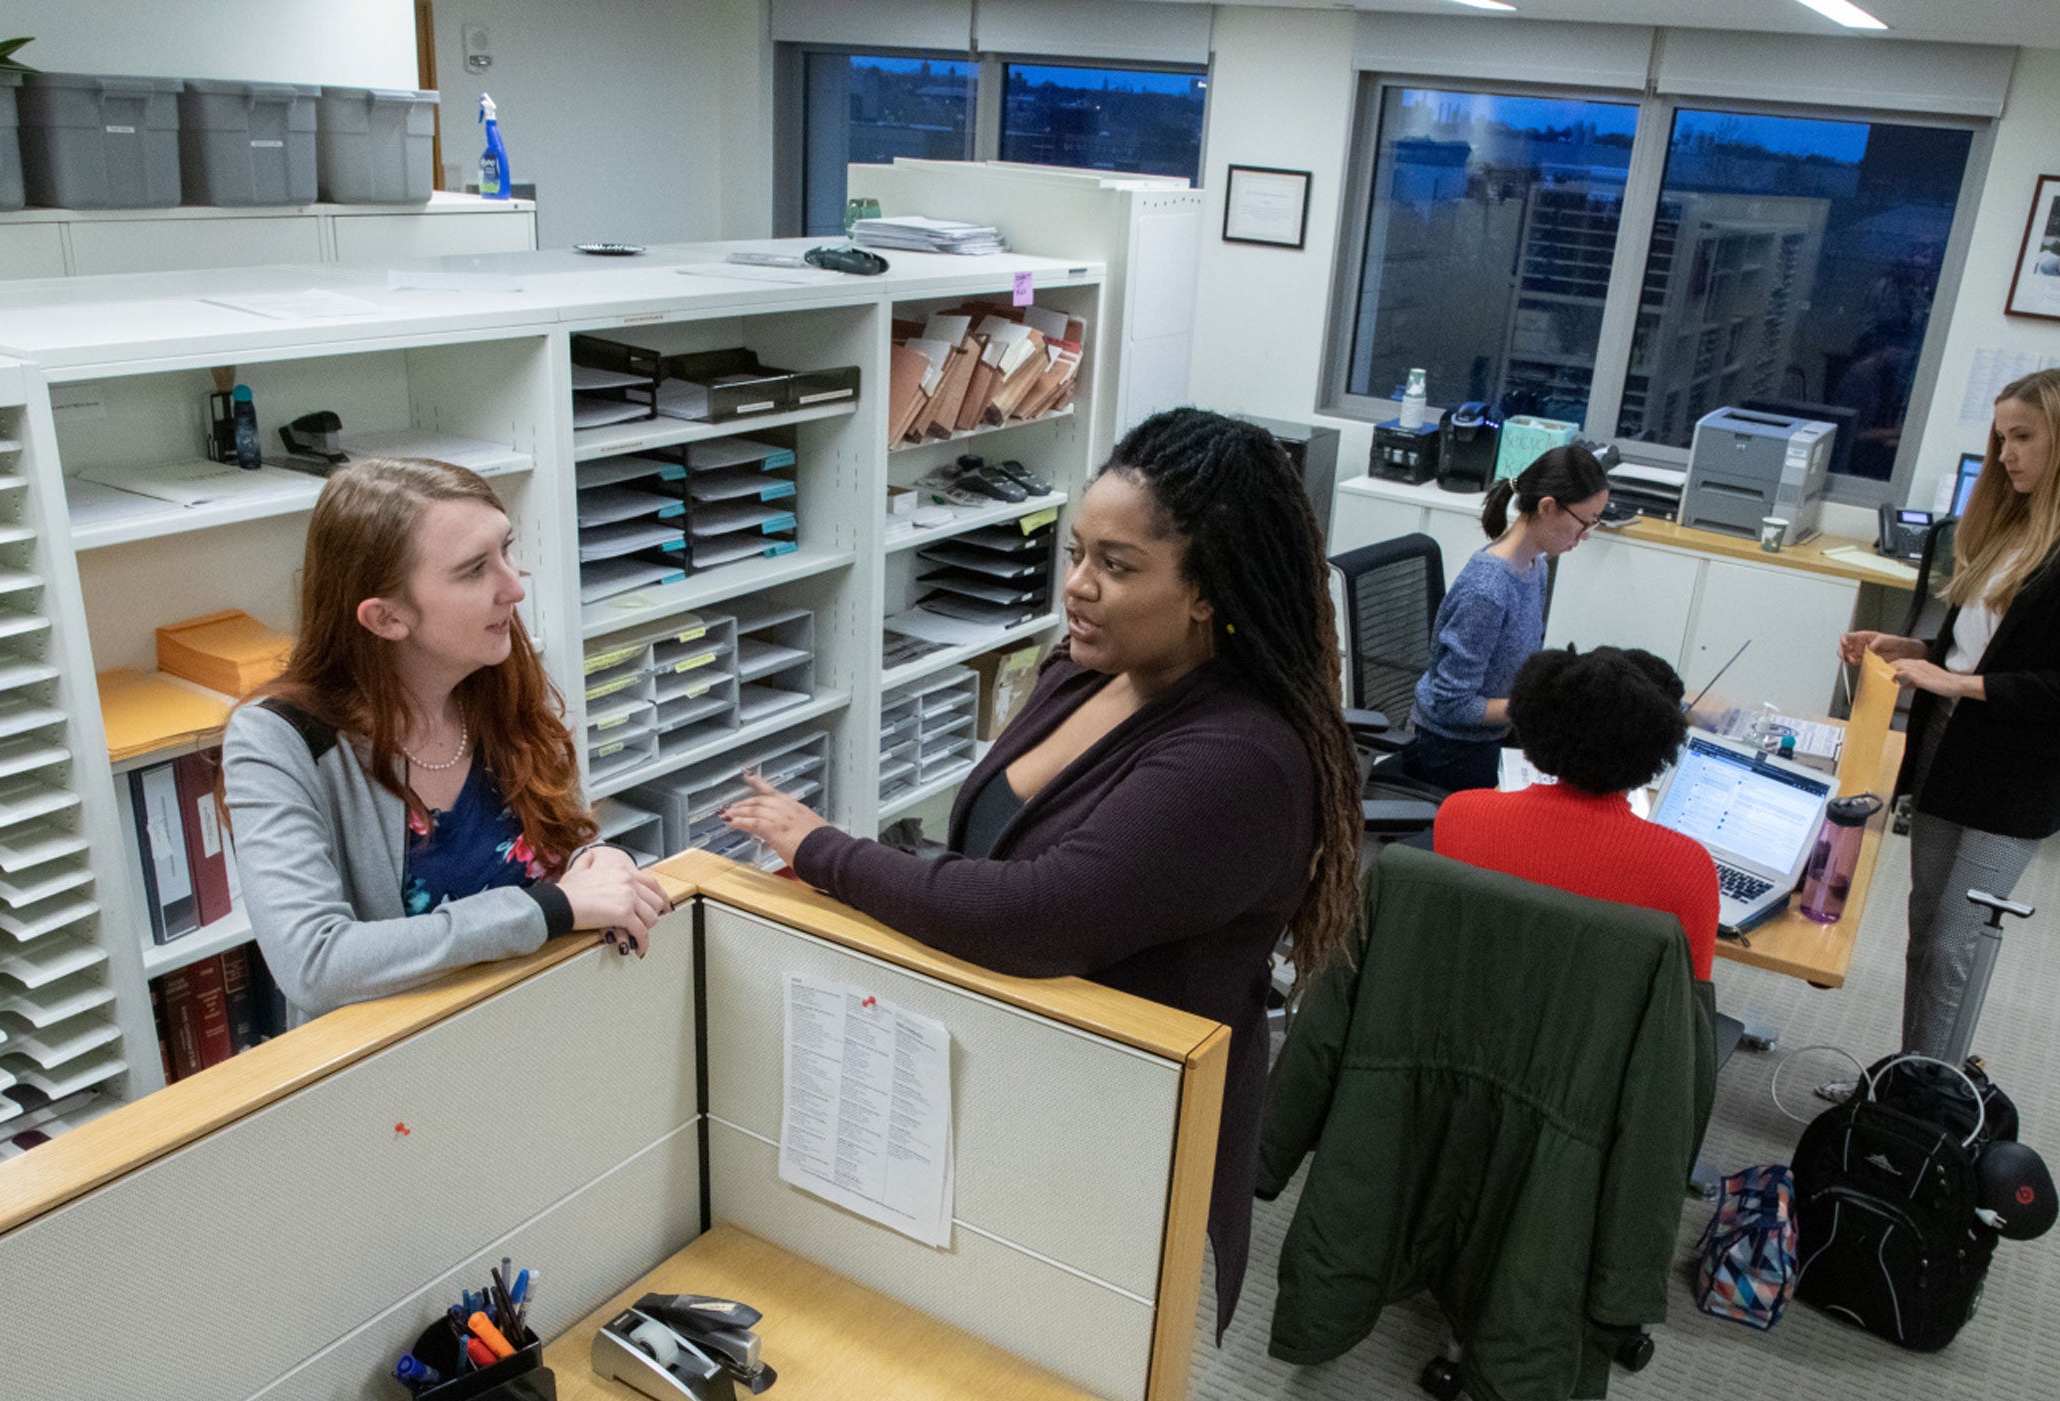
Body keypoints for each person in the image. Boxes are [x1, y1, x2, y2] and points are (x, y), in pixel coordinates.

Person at [720, 408, 1362, 1335]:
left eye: (1118, 564)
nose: (1078, 587)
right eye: (1076, 553)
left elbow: (1036, 912)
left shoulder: (1240, 760)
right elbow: (988, 850)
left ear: (1207, 590)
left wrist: (826, 850)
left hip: (1118, 1129)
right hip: (1024, 1072)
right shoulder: (1087, 671)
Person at [224, 458, 668, 1021]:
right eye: (474, 570)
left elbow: (562, 844)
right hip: (403, 1068)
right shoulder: (276, 739)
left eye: (506, 551)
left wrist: (598, 861)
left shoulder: (495, 668)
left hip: (544, 1021)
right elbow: (314, 963)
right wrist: (548, 910)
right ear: (386, 618)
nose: (514, 588)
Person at [1839, 365, 2060, 1059]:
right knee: (1925, 925)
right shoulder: (2012, 515)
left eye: (2022, 437)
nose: (2004, 454)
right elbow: (1978, 646)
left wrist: (1953, 687)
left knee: (1955, 940)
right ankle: (1912, 1075)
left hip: (2018, 769)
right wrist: (1915, 647)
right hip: (1950, 747)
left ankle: (1929, 1100)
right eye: (2000, 436)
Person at [1431, 645, 1720, 979]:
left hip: (1470, 1013)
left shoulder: (1460, 815)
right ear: (1658, 751)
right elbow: (1687, 1001)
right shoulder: (1687, 868)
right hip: (1607, 1027)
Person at [1381, 443, 1610, 792]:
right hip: (1452, 748)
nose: (1584, 537)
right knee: (1550, 812)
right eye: (1584, 523)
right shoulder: (1488, 591)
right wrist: (1535, 706)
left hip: (1496, 733)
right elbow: (1452, 706)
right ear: (1548, 507)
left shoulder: (1536, 567)